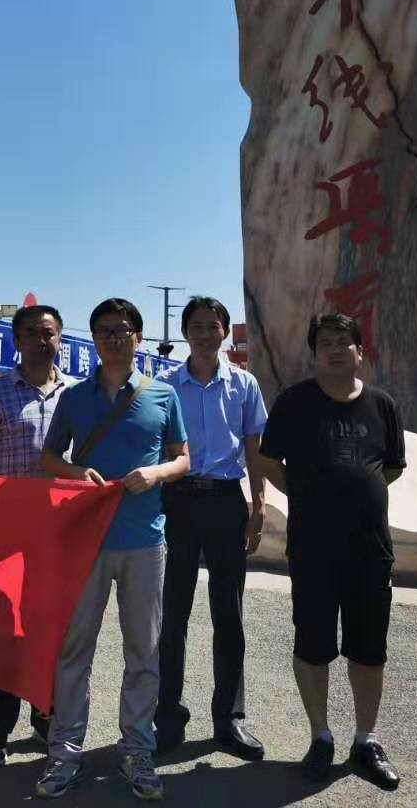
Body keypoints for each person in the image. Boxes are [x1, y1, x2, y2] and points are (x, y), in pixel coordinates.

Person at [35, 297, 190, 802]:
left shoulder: (162, 394)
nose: (113, 337)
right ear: (94, 339)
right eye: (103, 330)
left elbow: (183, 459)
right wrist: (77, 472)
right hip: (86, 540)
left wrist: (157, 473)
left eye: (122, 329)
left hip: (145, 540)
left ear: (138, 338)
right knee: (74, 651)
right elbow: (49, 458)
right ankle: (64, 754)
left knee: (143, 650)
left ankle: (137, 750)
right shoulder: (74, 397)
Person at [257, 312, 405, 791]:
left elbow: (391, 467)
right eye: (325, 343)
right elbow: (268, 460)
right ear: (315, 353)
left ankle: (366, 740)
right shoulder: (294, 402)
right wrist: (306, 494)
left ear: (361, 351)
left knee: (369, 647)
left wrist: (356, 494)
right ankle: (320, 737)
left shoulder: (382, 405)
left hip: (370, 548)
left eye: (345, 341)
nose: (336, 349)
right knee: (313, 643)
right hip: (313, 547)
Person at [154, 296, 268, 760]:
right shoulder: (164, 386)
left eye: (213, 326)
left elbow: (255, 447)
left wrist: (259, 503)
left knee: (229, 613)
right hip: (176, 502)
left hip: (225, 502)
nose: (205, 334)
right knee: (172, 614)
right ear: (185, 333)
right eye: (197, 326)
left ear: (224, 331)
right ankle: (167, 718)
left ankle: (229, 719)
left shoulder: (243, 383)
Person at [0, 303, 73, 766]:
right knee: (6, 633)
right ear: (16, 340)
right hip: (6, 533)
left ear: (59, 339)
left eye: (48, 333)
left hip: (60, 533)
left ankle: (46, 718)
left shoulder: (76, 394)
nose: (41, 340)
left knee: (52, 630)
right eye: (32, 333)